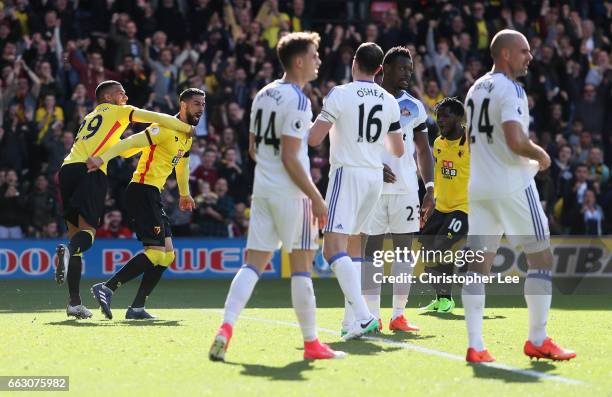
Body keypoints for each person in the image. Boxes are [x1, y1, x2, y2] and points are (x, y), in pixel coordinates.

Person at [209, 32, 345, 362]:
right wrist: (316, 197)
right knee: (301, 268)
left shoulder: (263, 94)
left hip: (264, 192)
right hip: (291, 194)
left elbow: (254, 148)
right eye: (314, 55)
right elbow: (289, 156)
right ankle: (312, 343)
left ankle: (225, 329)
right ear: (299, 61)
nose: (318, 61)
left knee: (252, 264)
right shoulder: (298, 101)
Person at [463, 29, 575, 362]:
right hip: (511, 184)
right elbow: (514, 140)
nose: (530, 56)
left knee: (477, 267)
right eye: (524, 51)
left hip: (480, 187)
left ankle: (476, 345)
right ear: (506, 54)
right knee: (540, 257)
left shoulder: (474, 88)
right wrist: (540, 154)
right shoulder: (510, 89)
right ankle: (537, 339)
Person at [55, 80, 195, 320]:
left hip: (67, 168)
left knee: (75, 235)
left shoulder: (90, 116)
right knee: (87, 234)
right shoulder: (119, 111)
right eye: (121, 94)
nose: (126, 97)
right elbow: (158, 117)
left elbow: (129, 146)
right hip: (92, 169)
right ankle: (74, 259)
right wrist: (187, 128)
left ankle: (75, 302)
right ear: (108, 98)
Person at [308, 42, 404, 340]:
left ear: (354, 63)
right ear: (379, 69)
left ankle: (364, 315)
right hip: (374, 177)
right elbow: (398, 149)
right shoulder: (389, 100)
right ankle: (351, 323)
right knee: (354, 249)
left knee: (332, 249)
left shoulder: (340, 93)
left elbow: (313, 139)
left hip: (347, 174)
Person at [362, 46, 434, 333]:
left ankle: (399, 315)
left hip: (405, 189)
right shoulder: (368, 101)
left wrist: (429, 187)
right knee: (374, 252)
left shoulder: (414, 106)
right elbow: (355, 144)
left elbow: (423, 150)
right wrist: (374, 167)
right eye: (403, 68)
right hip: (373, 188)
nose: (408, 73)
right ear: (385, 68)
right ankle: (372, 316)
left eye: (410, 68)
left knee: (405, 252)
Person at [418, 97, 469, 314]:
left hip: (464, 208)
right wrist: (431, 199)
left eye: (446, 116)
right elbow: (439, 176)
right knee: (427, 250)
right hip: (442, 207)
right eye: (439, 117)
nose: (440, 121)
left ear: (459, 118)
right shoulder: (438, 143)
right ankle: (442, 298)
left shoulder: (471, 143)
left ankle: (465, 268)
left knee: (440, 247)